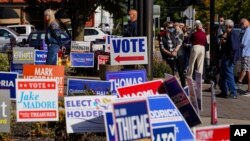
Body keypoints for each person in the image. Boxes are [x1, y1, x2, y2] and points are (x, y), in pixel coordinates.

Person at [216, 19, 241, 99]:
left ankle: (233, 92)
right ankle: (224, 91)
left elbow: (234, 48)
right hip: (226, 57)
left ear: (227, 26)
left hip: (229, 58)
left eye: (224, 26)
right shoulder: (230, 34)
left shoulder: (232, 34)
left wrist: (232, 59)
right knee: (223, 74)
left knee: (229, 74)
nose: (224, 28)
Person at [160, 22, 186, 87]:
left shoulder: (175, 34)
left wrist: (175, 51)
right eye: (170, 27)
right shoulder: (162, 36)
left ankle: (184, 87)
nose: (172, 29)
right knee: (170, 74)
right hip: (169, 56)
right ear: (166, 28)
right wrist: (171, 54)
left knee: (181, 72)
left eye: (173, 27)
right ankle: (172, 88)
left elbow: (179, 43)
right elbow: (162, 48)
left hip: (178, 55)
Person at [237, 18, 250, 94]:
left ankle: (239, 82)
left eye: (241, 25)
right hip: (248, 53)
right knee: (246, 70)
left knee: (247, 70)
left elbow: (243, 43)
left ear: (244, 23)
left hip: (246, 54)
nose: (242, 27)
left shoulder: (248, 31)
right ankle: (240, 82)